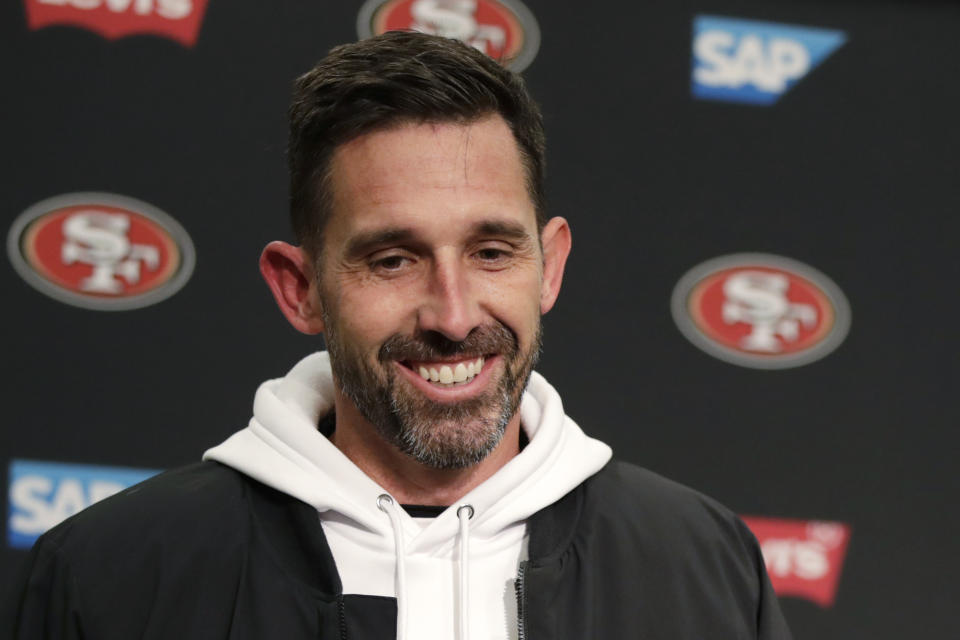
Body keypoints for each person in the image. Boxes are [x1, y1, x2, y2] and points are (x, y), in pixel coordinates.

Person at [5, 31, 792, 640]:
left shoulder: (707, 567)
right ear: (300, 288)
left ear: (548, 267)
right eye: (392, 258)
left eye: (491, 252)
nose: (452, 316)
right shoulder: (109, 576)